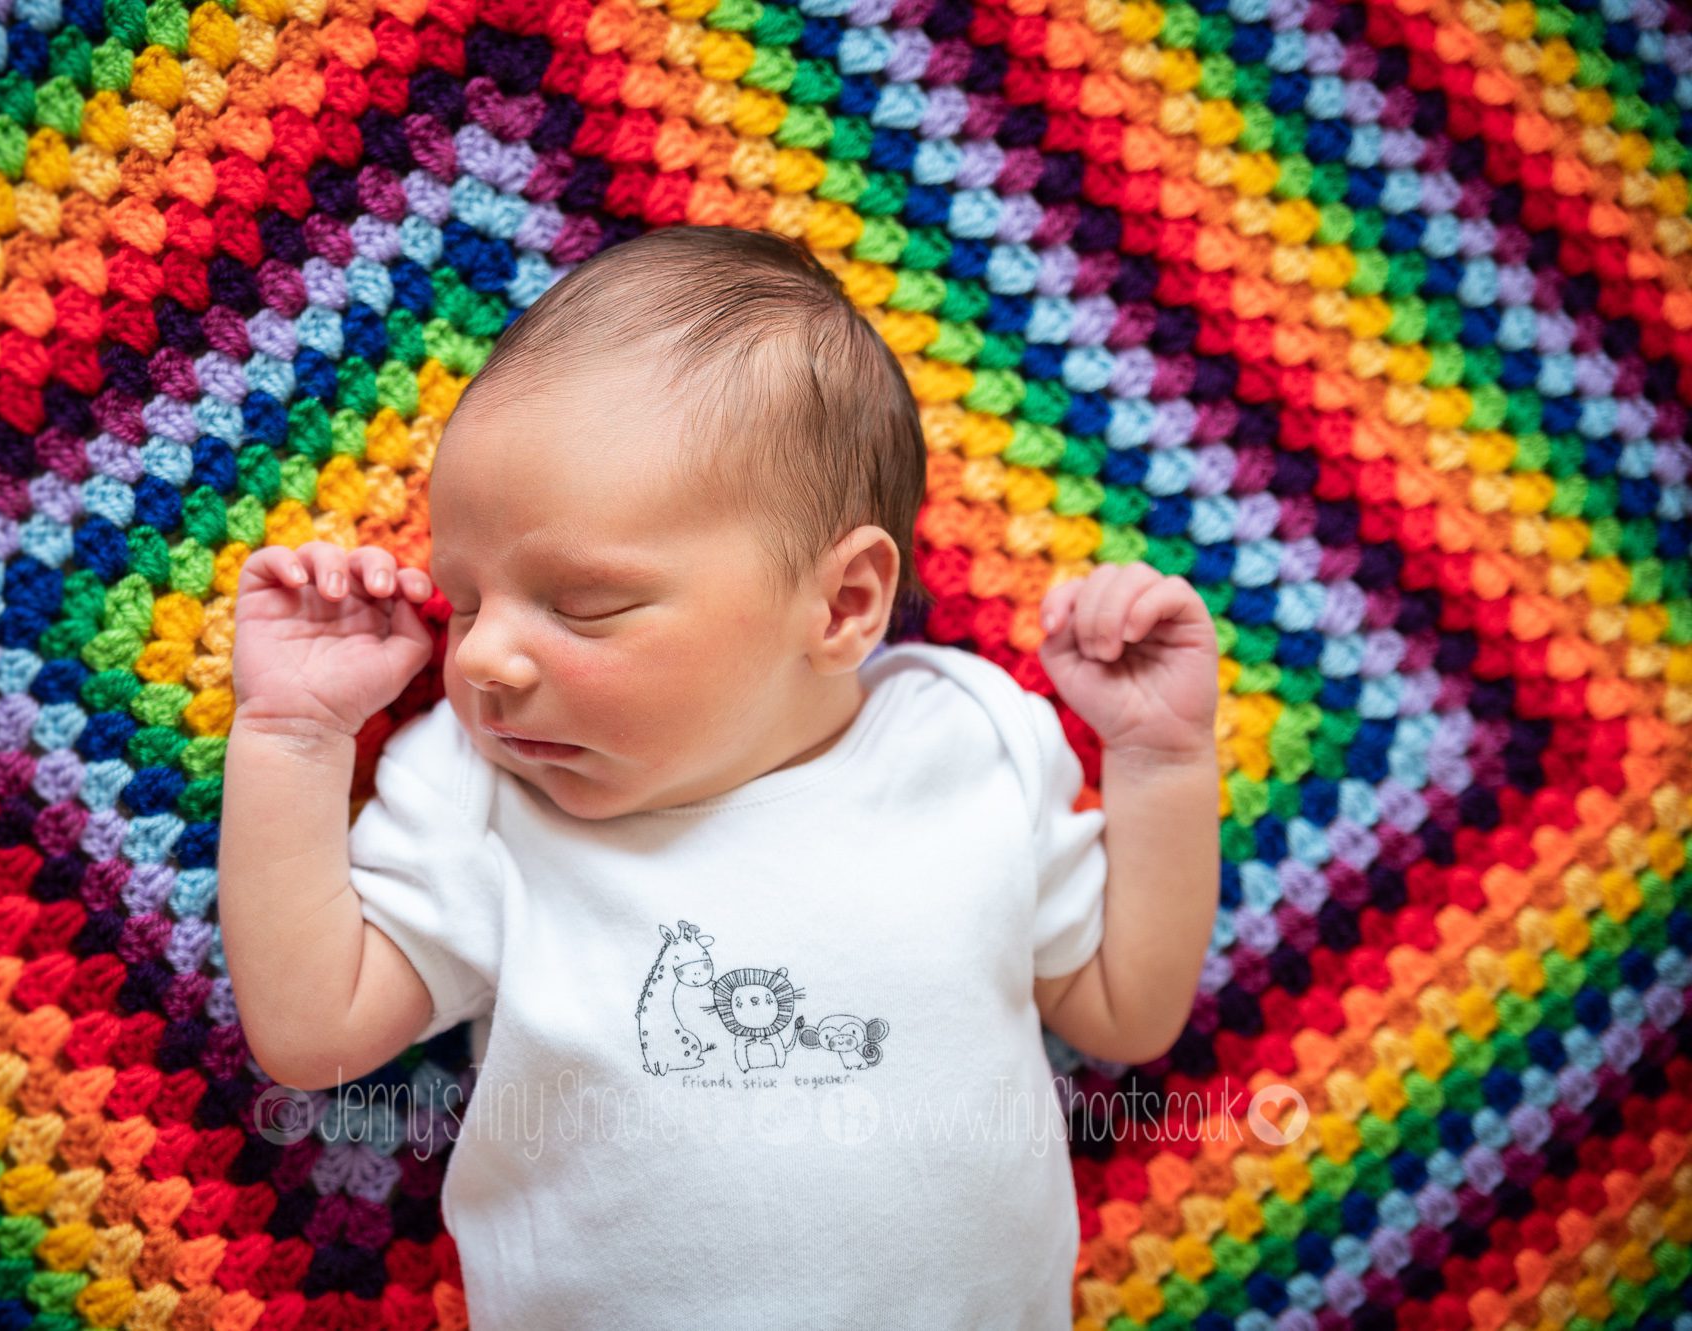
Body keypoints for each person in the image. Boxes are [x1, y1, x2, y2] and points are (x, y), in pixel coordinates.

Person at [217, 226, 1221, 1328]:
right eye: (464, 598)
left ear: (840, 606)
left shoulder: (967, 739)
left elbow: (1125, 1009)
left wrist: (1161, 759)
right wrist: (293, 732)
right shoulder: (484, 795)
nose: (481, 658)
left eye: (583, 603)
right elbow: (312, 1031)